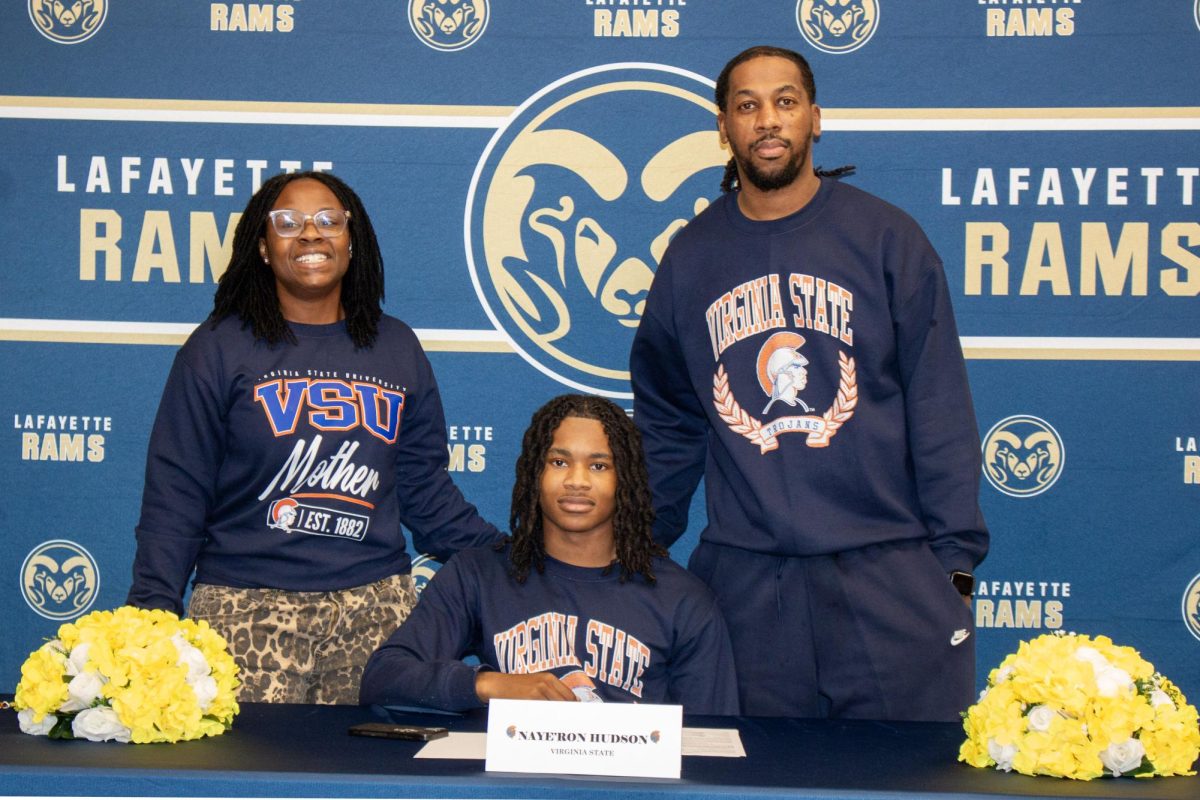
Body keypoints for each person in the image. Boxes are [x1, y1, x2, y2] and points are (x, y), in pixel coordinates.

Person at [629, 46, 988, 721]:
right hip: (748, 584)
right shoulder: (690, 258)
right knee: (751, 785)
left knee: (907, 783)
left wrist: (954, 566)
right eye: (747, 106)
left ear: (815, 119)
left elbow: (939, 410)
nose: (768, 120)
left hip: (888, 573)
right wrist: (636, 557)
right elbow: (669, 429)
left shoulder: (887, 239)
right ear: (725, 128)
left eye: (785, 102)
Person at [127, 170, 501, 704]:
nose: (310, 234)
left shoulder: (396, 347)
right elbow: (176, 495)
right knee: (251, 782)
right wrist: (152, 614)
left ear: (353, 241)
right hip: (243, 610)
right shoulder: (217, 349)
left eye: (329, 220)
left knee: (370, 783)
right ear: (261, 245)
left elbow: (425, 491)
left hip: (374, 613)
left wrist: (517, 557)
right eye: (288, 222)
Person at [359, 394, 739, 715]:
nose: (576, 480)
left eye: (599, 465)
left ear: (626, 481)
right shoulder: (480, 574)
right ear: (532, 476)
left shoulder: (683, 600)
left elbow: (713, 741)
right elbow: (383, 679)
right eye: (559, 462)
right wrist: (489, 685)